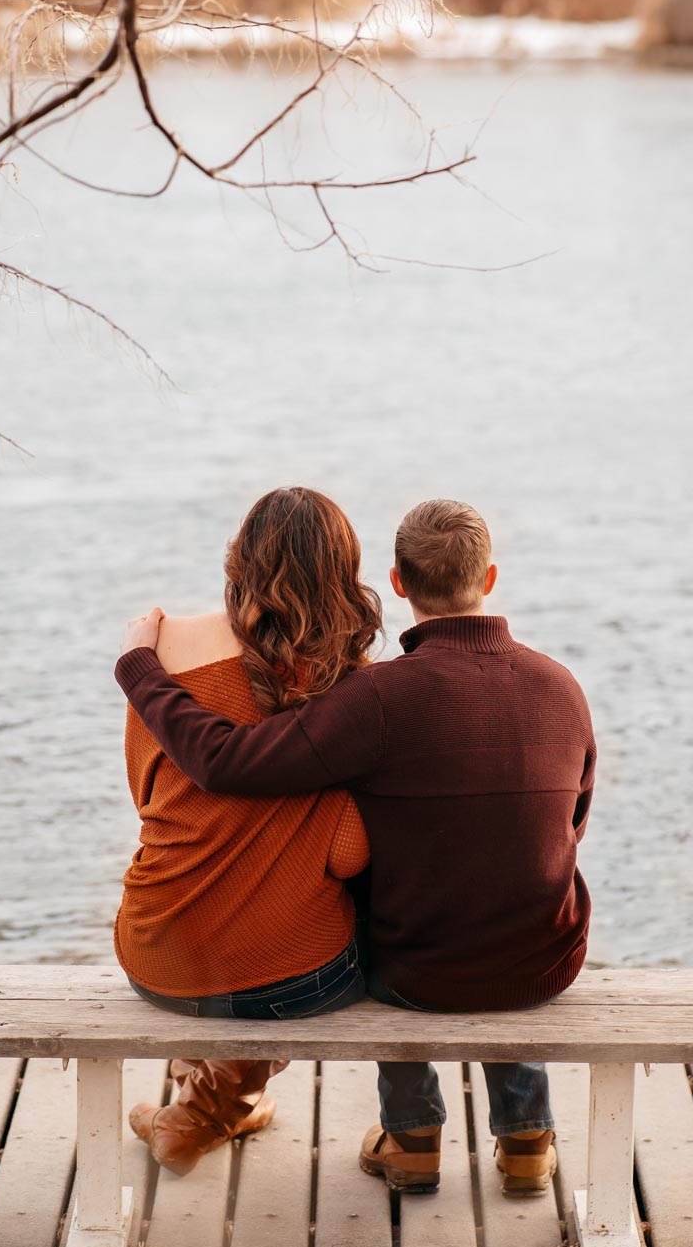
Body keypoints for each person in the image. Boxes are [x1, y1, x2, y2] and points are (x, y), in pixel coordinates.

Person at [117, 498, 595, 1196]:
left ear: (398, 582)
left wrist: (138, 667)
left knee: (375, 914)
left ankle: (412, 1135)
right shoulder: (562, 686)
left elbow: (228, 762)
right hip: (547, 957)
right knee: (500, 886)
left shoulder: (379, 697)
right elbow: (573, 821)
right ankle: (526, 1138)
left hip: (411, 971)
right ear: (489, 577)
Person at [115, 487, 381, 1175]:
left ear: (240, 559)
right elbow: (354, 854)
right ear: (343, 572)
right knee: (322, 923)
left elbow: (146, 793)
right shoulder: (356, 681)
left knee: (233, 916)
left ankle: (217, 1091)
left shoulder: (162, 647)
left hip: (157, 954)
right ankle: (214, 1105)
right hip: (296, 979)